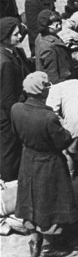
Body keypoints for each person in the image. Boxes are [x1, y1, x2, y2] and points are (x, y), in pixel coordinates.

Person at [11, 71, 77, 257]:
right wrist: (66, 129)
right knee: (50, 204)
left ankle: (34, 241)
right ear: (41, 91)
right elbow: (63, 141)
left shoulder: (16, 109)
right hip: (49, 164)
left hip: (28, 159)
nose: (49, 89)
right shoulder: (48, 117)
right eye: (47, 85)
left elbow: (16, 133)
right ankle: (49, 246)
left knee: (30, 200)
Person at [1, 18, 32, 181]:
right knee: (10, 153)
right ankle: (10, 184)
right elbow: (7, 99)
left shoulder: (15, 51)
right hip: (8, 117)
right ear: (4, 37)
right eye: (15, 34)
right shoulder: (5, 62)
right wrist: (17, 120)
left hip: (17, 108)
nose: (20, 36)